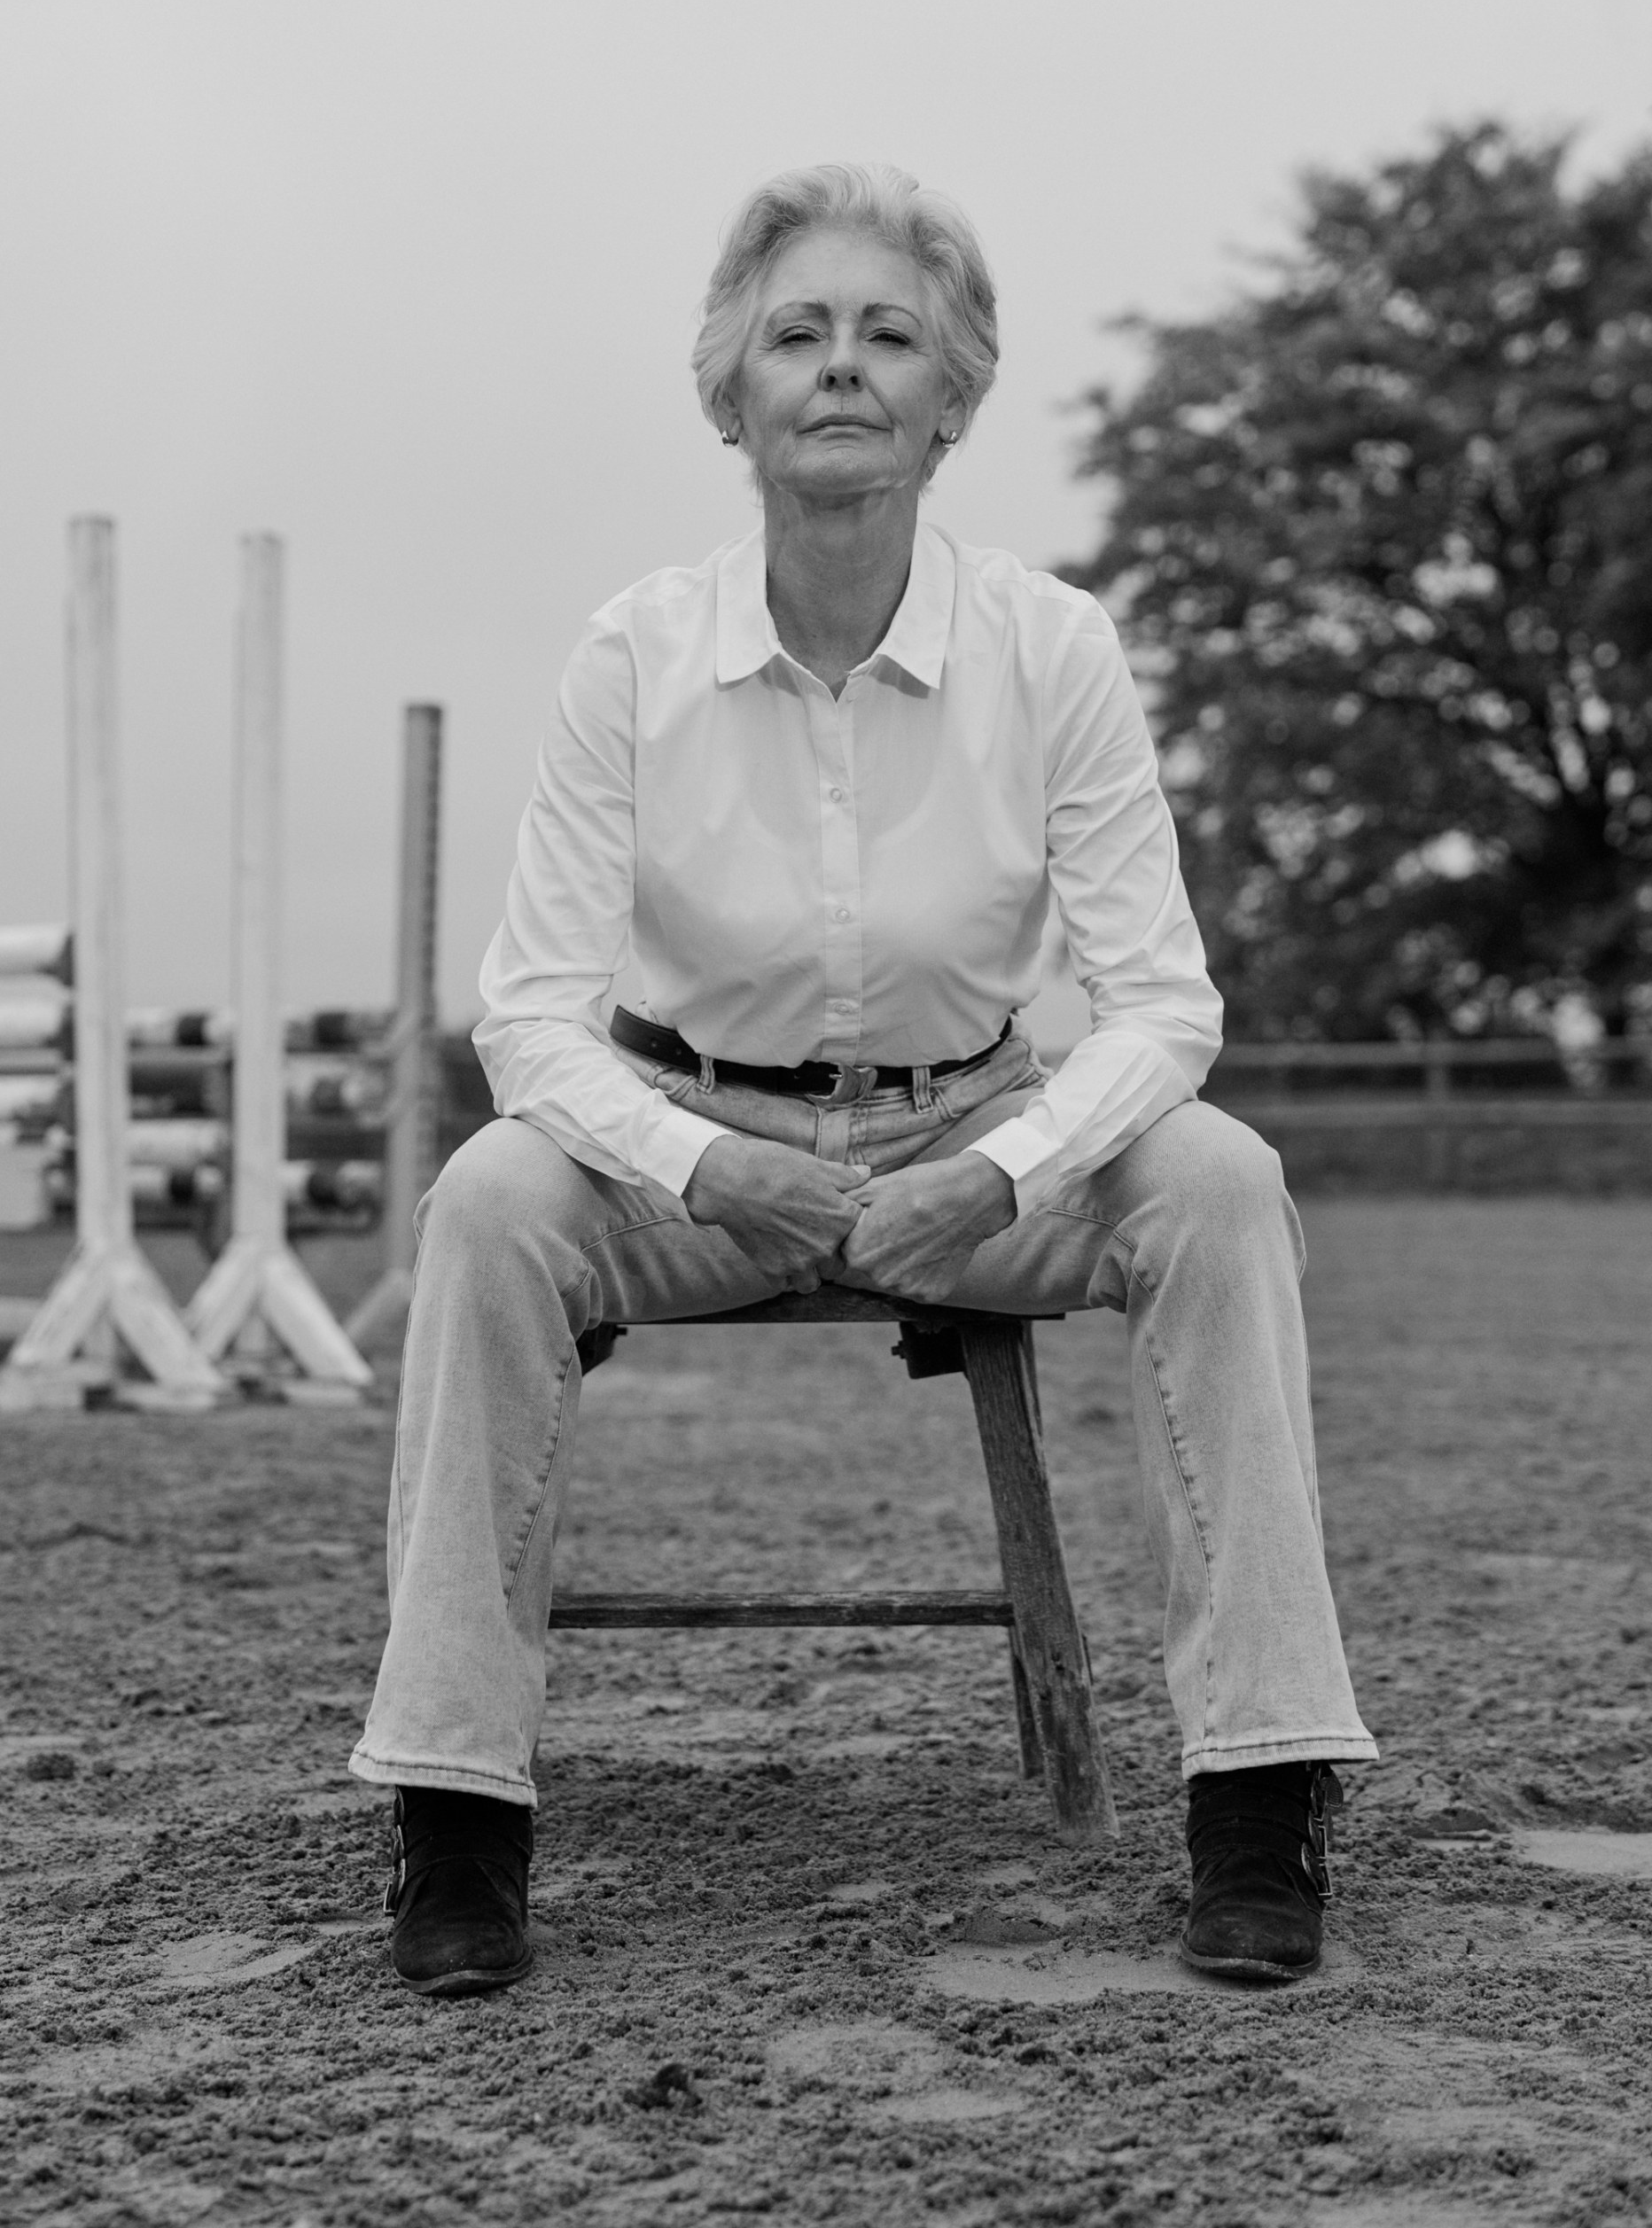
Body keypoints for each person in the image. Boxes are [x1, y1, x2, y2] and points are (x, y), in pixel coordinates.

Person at [349, 162, 1375, 1996]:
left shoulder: (1051, 649)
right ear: (730, 389)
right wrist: (694, 1162)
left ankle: (1260, 1785)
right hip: (694, 1143)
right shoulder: (632, 655)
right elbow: (527, 1017)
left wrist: (993, 1173)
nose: (839, 366)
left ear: (949, 396)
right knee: (490, 1198)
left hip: (979, 1128)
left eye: (886, 334)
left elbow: (1158, 1006)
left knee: (1219, 1177)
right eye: (796, 332)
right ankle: (454, 1810)